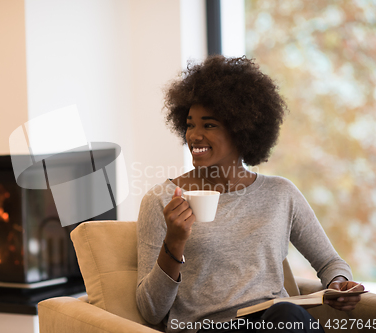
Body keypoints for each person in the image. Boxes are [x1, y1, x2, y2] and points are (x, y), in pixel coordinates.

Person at [136, 55, 364, 333]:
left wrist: (338, 283)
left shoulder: (281, 193)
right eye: (190, 124)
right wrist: (174, 242)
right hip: (208, 328)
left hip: (276, 321)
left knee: (287, 315)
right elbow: (150, 311)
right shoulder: (162, 200)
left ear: (241, 130)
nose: (194, 136)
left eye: (208, 125)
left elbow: (330, 262)